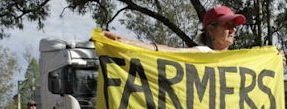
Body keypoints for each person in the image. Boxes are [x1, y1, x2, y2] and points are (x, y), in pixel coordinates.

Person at [103, 5, 246, 52]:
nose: (233, 29)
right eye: (227, 25)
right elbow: (171, 51)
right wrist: (126, 42)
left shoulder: (239, 60)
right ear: (211, 29)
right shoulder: (202, 53)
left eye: (234, 25)